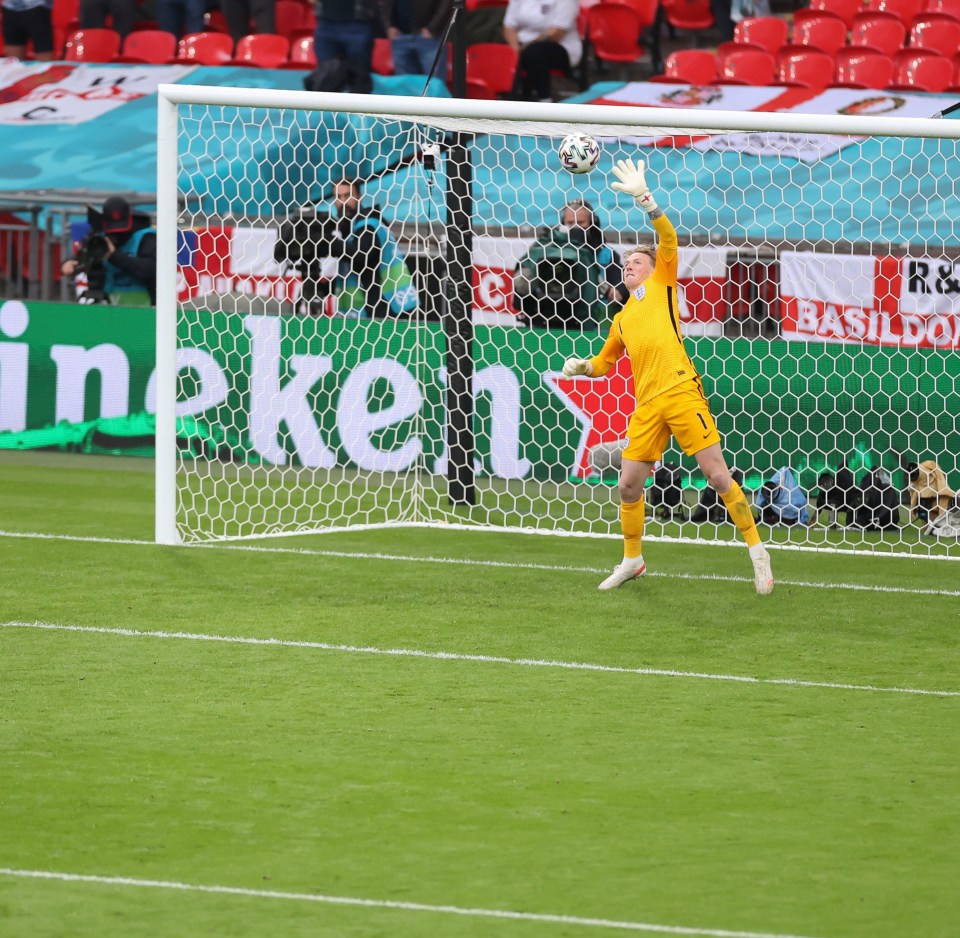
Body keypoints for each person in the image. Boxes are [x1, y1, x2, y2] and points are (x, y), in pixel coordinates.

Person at [561, 157, 774, 594]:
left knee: (716, 475)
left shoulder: (662, 285)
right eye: (626, 263)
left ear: (653, 267)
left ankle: (757, 551)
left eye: (636, 261)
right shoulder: (621, 319)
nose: (629, 265)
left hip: (680, 391)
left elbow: (668, 236)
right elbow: (604, 364)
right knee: (627, 484)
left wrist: (645, 199)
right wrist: (584, 367)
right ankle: (633, 559)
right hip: (649, 406)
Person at [513, 198, 625, 331]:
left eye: (581, 223)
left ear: (592, 223)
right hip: (546, 318)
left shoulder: (605, 254)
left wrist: (602, 286)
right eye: (570, 223)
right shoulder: (546, 250)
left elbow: (621, 287)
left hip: (594, 323)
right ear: (562, 224)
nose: (575, 227)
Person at [326, 178, 418, 318]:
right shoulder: (349, 229)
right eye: (338, 197)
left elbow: (361, 255)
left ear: (359, 197)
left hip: (389, 305)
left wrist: (325, 241)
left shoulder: (370, 224)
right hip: (372, 306)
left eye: (347, 195)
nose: (343, 201)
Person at [61, 196, 157, 307]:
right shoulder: (101, 238)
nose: (116, 235)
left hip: (146, 311)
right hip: (110, 309)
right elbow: (81, 257)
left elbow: (151, 269)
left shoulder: (146, 237)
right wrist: (68, 263)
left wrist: (113, 256)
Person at [502, 0, 581, 102]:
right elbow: (508, 26)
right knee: (497, 51)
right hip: (521, 43)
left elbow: (556, 33)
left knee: (533, 53)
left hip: (559, 46)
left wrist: (524, 48)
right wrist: (515, 49)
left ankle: (545, 98)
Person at [311, 0, 388, 95]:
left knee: (360, 73)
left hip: (358, 24)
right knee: (325, 73)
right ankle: (325, 107)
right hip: (326, 22)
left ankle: (360, 107)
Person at [385, 0, 451, 77]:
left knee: (433, 81)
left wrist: (432, 28)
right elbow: (383, 4)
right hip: (400, 35)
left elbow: (445, 5)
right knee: (405, 83)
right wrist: (388, 26)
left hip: (429, 37)